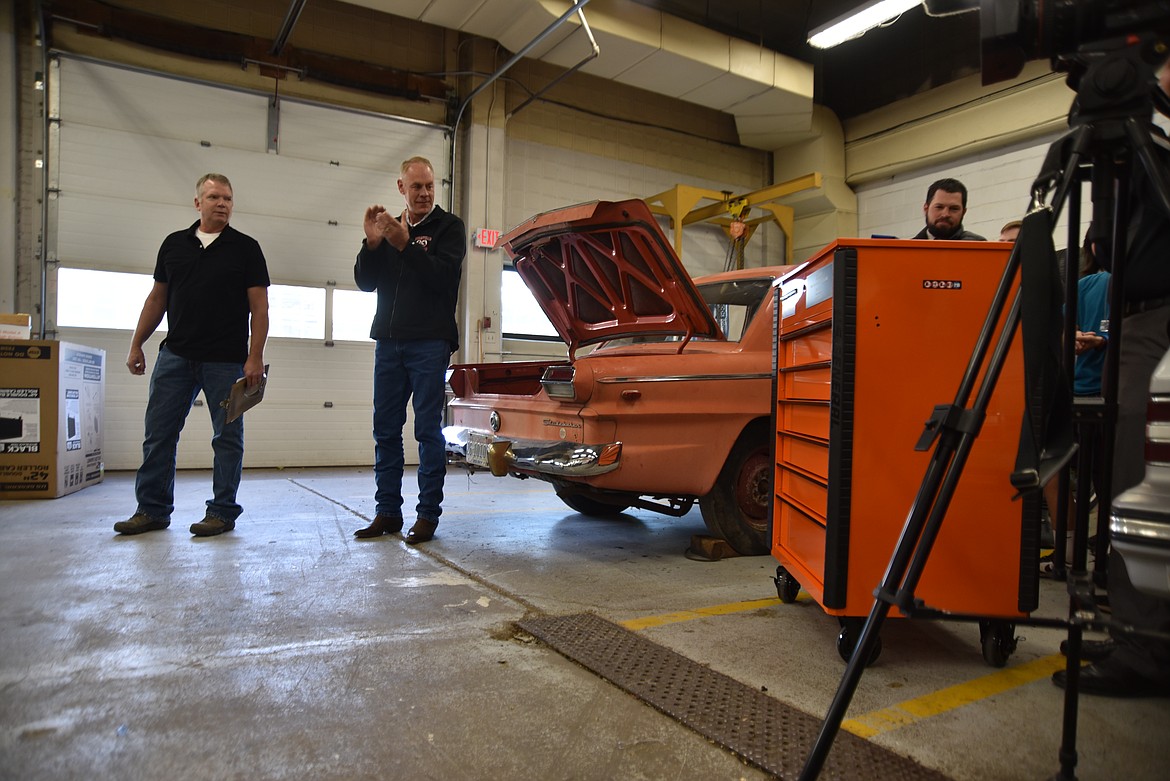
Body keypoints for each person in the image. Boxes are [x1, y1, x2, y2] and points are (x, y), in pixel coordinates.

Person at [1053, 55, 1170, 697]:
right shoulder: (1131, 151)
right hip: (1137, 316)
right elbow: (1102, 241)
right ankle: (1137, 629)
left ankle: (1142, 647)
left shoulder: (1153, 147)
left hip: (1152, 317)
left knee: (1134, 478)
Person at [114, 173, 270, 538]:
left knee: (227, 439)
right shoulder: (174, 245)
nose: (222, 204)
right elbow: (157, 299)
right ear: (198, 203)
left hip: (227, 360)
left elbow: (260, 309)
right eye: (214, 197)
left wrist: (255, 357)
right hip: (176, 356)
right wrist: (136, 343)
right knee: (159, 435)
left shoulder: (246, 248)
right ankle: (151, 510)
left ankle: (222, 511)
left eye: (228, 198)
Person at [352, 156, 466, 544]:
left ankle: (427, 515)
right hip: (388, 341)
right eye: (416, 186)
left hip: (429, 343)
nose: (424, 193)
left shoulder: (448, 228)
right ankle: (387, 512)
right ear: (401, 187)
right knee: (384, 429)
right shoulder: (388, 230)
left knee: (426, 430)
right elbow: (366, 283)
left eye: (430, 186)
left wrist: (405, 245)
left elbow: (443, 279)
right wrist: (372, 243)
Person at [912, 178, 987, 240]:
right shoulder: (907, 250)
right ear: (926, 209)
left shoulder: (979, 247)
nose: (945, 214)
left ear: (963, 212)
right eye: (939, 207)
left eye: (954, 209)